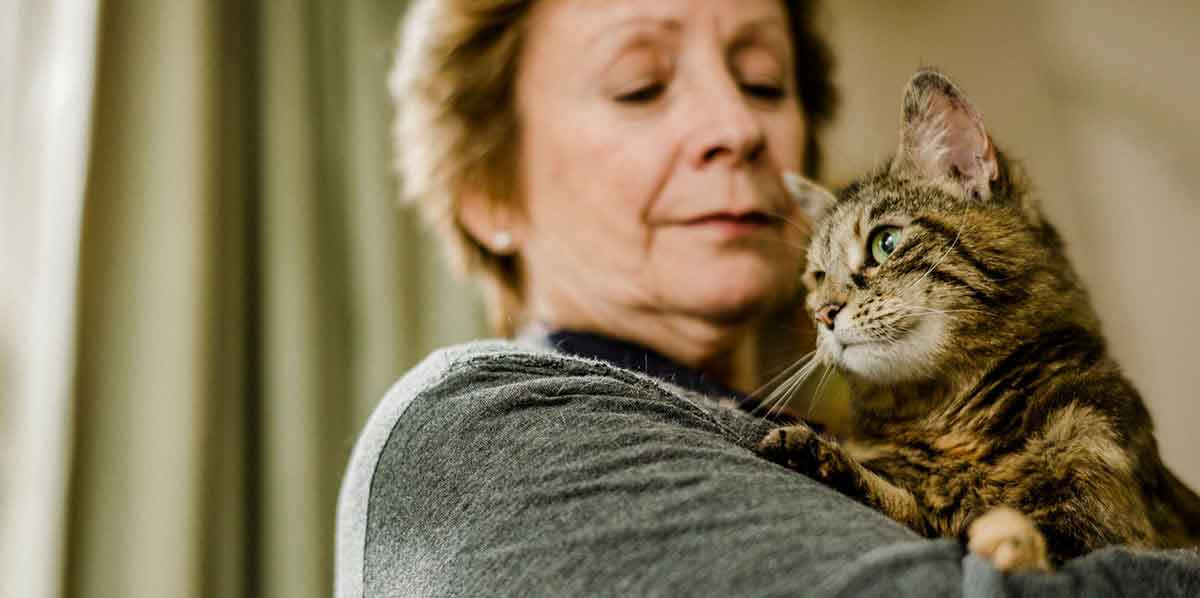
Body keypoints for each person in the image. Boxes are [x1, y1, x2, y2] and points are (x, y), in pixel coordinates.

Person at [335, 1, 1200, 596]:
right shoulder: (488, 431)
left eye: (762, 81)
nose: (737, 127)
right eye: (641, 85)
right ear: (486, 190)